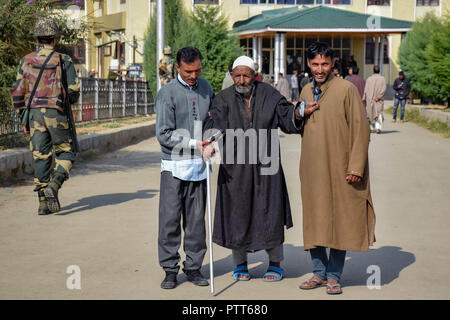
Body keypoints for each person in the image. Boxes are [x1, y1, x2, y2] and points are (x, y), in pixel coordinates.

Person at [203, 56, 318, 282]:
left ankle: (275, 263)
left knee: (271, 212)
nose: (242, 80)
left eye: (246, 75)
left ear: (254, 75)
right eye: (237, 75)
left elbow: (286, 115)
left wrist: (299, 113)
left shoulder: (268, 94)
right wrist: (210, 141)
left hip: (267, 166)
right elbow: (214, 122)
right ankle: (240, 264)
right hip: (235, 167)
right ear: (232, 75)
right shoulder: (223, 99)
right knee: (238, 213)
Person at [298, 42, 375, 295]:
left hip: (342, 168)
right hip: (313, 168)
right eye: (315, 64)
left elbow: (360, 130)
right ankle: (318, 273)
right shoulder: (306, 90)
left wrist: (356, 166)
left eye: (325, 64)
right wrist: (298, 113)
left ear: (332, 64)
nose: (320, 69)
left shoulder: (346, 89)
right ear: (308, 65)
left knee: (341, 219)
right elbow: (298, 125)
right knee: (315, 220)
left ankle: (334, 276)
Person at [156, 47, 214, 289]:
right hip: (174, 166)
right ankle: (170, 269)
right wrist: (193, 143)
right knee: (169, 220)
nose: (193, 75)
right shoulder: (167, 93)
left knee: (196, 222)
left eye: (197, 70)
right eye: (189, 71)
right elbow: (164, 134)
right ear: (177, 67)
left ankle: (194, 267)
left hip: (200, 165)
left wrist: (213, 140)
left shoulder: (207, 88)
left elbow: (214, 120)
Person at [10, 18, 79, 215]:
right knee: (67, 152)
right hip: (55, 113)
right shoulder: (63, 60)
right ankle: (55, 184)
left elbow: (17, 91)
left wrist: (24, 116)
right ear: (54, 38)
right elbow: (73, 93)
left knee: (41, 157)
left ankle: (42, 205)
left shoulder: (26, 60)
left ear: (38, 38)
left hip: (33, 114)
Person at [363, 65, 386, 134]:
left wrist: (364, 98)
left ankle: (371, 128)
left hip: (370, 100)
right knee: (378, 114)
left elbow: (366, 90)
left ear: (373, 71)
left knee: (370, 114)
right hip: (378, 100)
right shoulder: (382, 79)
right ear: (379, 71)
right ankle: (378, 128)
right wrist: (379, 97)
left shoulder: (369, 79)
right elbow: (384, 89)